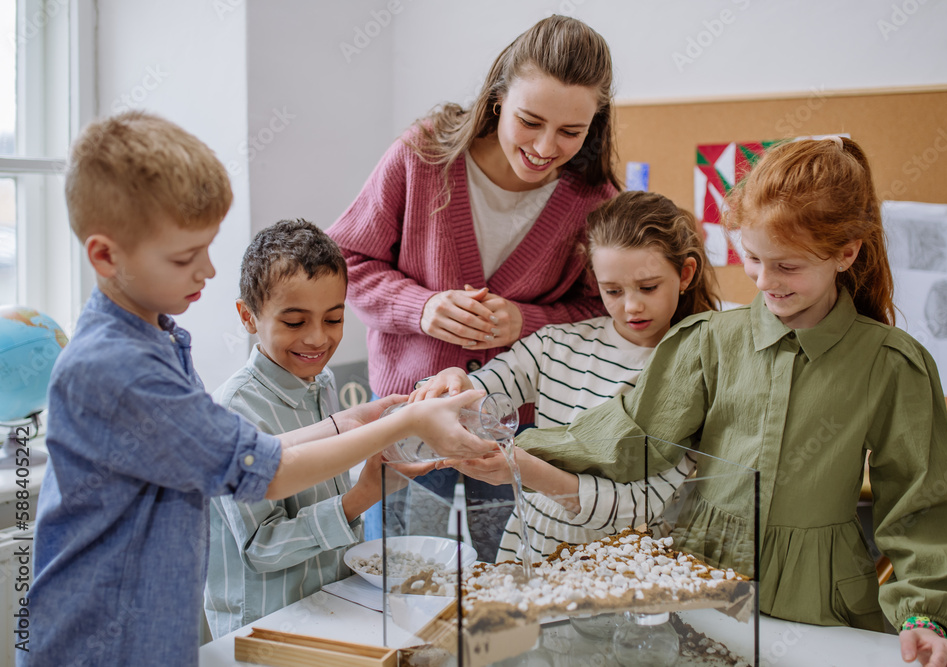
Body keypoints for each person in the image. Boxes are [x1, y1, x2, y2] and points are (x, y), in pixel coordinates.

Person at [25, 111, 493, 667]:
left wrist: (358, 421)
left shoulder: (158, 338)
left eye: (207, 248)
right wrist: (404, 425)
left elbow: (242, 444)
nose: (208, 271)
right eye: (184, 257)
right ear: (105, 255)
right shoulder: (120, 368)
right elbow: (263, 471)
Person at [509, 138, 947, 666]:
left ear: (847, 253)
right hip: (700, 579)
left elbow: (922, 504)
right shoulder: (708, 341)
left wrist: (927, 618)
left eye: (787, 266)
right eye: (752, 259)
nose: (764, 281)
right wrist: (516, 450)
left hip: (819, 597)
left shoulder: (892, 363)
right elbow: (631, 435)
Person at [328, 15, 620, 557]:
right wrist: (422, 307)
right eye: (529, 121)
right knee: (399, 588)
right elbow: (343, 261)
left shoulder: (592, 199)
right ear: (497, 100)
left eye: (570, 132)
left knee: (502, 602)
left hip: (518, 441)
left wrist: (526, 322)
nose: (544, 146)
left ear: (594, 123)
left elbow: (604, 314)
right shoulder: (423, 156)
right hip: (408, 416)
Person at [415, 191, 718, 561]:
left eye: (649, 287)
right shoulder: (555, 344)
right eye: (613, 291)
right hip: (532, 552)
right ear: (596, 281)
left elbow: (642, 508)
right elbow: (478, 394)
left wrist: (529, 473)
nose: (632, 306)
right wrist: (453, 382)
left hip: (628, 565)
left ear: (685, 274)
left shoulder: (693, 371)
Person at [204, 219, 425, 636]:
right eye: (294, 322)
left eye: (334, 319)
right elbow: (261, 548)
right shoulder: (234, 411)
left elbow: (324, 488)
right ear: (247, 316)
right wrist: (360, 498)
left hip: (328, 605)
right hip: (264, 629)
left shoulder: (322, 385)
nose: (317, 339)